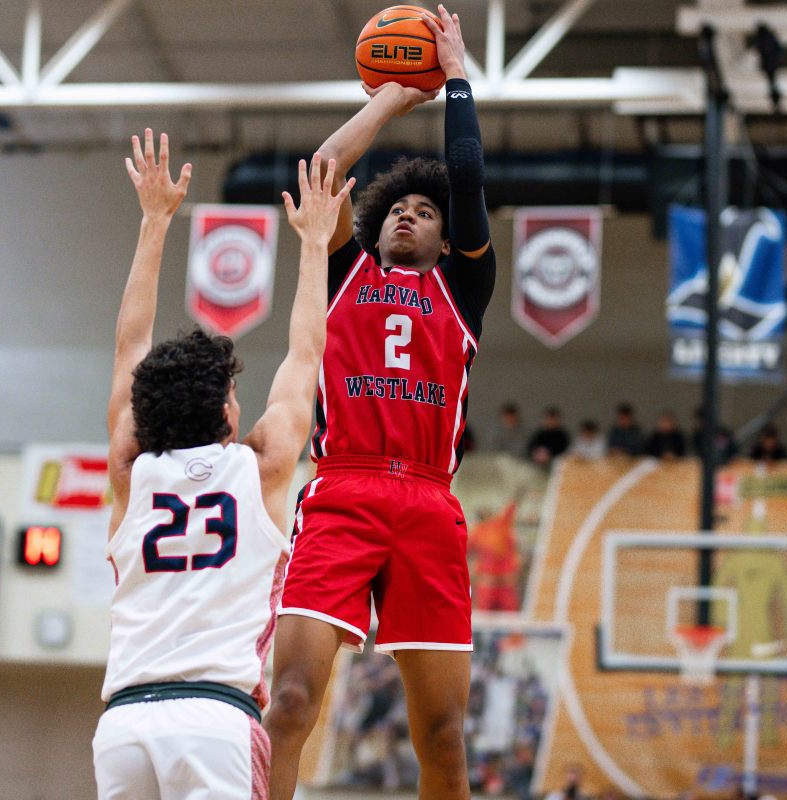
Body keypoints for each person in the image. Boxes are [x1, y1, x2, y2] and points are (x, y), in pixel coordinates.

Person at [265, 7, 493, 800]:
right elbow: (325, 169)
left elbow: (466, 179)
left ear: (445, 236)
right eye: (399, 207)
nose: (408, 214)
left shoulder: (463, 289)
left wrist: (455, 78)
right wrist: (394, 97)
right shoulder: (347, 274)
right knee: (289, 701)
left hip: (429, 500)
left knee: (443, 738)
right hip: (343, 489)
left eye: (425, 212)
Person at [91, 131, 349, 800]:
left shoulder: (130, 468)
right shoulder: (261, 467)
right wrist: (316, 244)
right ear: (228, 412)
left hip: (123, 724)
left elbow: (128, 351)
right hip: (213, 718)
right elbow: (306, 353)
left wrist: (153, 223)